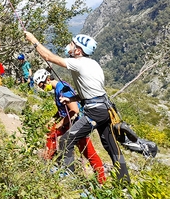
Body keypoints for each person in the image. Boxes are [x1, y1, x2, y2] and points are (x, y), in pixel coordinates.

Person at [25, 32, 130, 183]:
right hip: (104, 108)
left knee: (67, 140)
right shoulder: (93, 64)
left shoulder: (79, 62)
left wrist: (33, 40)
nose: (69, 46)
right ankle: (125, 183)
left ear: (78, 50)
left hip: (94, 111)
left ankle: (70, 177)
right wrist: (73, 98)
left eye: (72, 44)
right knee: (111, 147)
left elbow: (48, 57)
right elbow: (92, 92)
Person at [33, 69, 106, 184]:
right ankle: (48, 160)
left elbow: (74, 110)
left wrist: (59, 124)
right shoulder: (58, 88)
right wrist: (53, 119)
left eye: (42, 85)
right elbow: (63, 109)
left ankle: (101, 179)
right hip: (69, 122)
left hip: (77, 123)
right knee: (51, 135)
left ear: (47, 79)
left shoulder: (62, 89)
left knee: (88, 152)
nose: (42, 88)